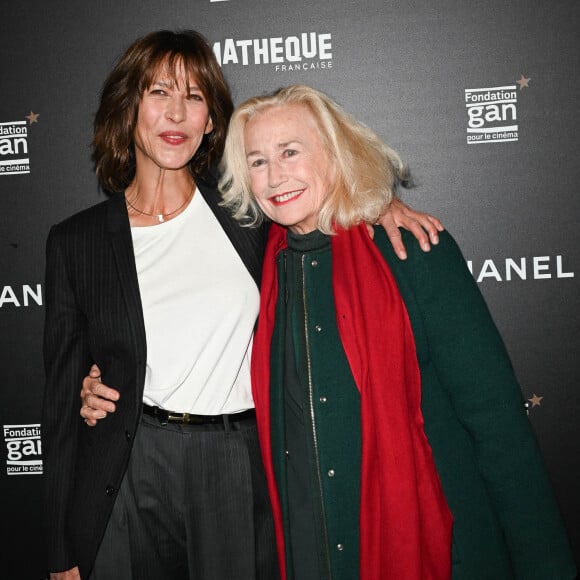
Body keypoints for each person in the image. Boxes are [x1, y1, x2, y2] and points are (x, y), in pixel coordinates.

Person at [42, 31, 442, 580]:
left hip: (234, 461)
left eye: (195, 97)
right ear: (130, 107)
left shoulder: (247, 212)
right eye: (160, 92)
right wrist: (58, 551)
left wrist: (383, 202)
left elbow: (318, 189)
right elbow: (62, 406)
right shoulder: (75, 242)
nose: (176, 113)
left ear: (211, 121)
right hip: (128, 465)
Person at [218, 84, 576, 579]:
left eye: (290, 152)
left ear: (335, 152)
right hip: (310, 554)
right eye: (256, 161)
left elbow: (497, 425)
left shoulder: (412, 252)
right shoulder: (256, 270)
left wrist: (546, 565)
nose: (275, 175)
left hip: (438, 549)